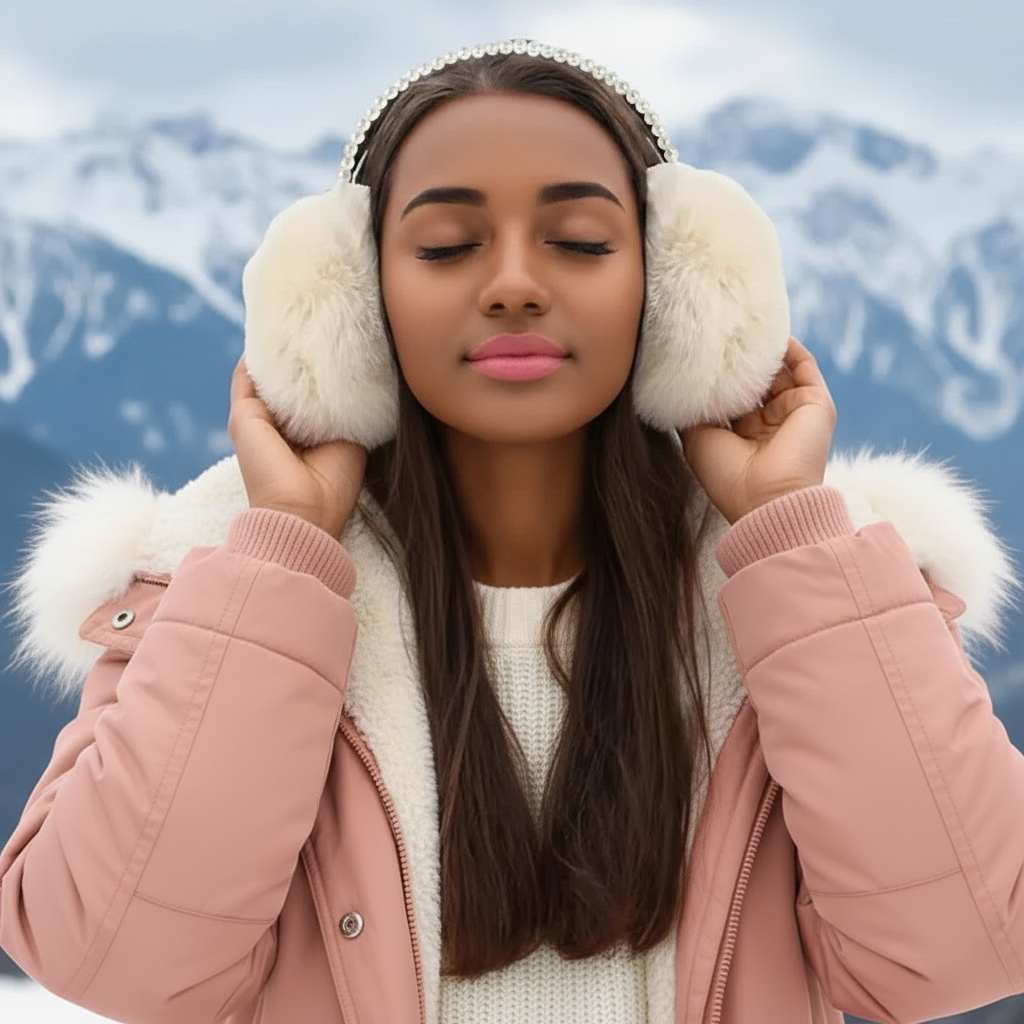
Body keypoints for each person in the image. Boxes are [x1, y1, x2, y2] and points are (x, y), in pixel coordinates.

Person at [1, 38, 1022, 1024]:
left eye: (580, 242)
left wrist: (793, 535)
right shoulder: (224, 588)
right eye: (447, 247)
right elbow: (117, 964)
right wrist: (279, 554)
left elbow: (958, 945)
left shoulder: (796, 600)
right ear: (351, 307)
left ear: (672, 297)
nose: (515, 283)